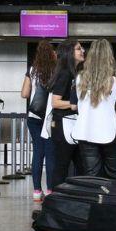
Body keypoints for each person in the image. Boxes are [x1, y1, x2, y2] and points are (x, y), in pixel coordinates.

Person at [70, 39, 116, 180]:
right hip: (109, 131)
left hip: (85, 131)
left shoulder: (80, 78)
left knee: (91, 175)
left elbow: (73, 106)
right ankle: (111, 201)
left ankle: (95, 202)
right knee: (114, 175)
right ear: (109, 56)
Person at [22, 40, 57, 201]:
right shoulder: (57, 70)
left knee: (38, 153)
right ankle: (50, 190)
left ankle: (37, 191)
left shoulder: (32, 70)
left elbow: (24, 94)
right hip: (50, 117)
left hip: (34, 117)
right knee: (50, 154)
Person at [49, 40, 85, 188]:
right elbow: (55, 102)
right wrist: (74, 105)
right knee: (62, 165)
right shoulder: (65, 73)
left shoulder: (76, 73)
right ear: (70, 53)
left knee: (80, 165)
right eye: (78, 49)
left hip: (71, 124)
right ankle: (56, 199)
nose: (82, 51)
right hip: (63, 125)